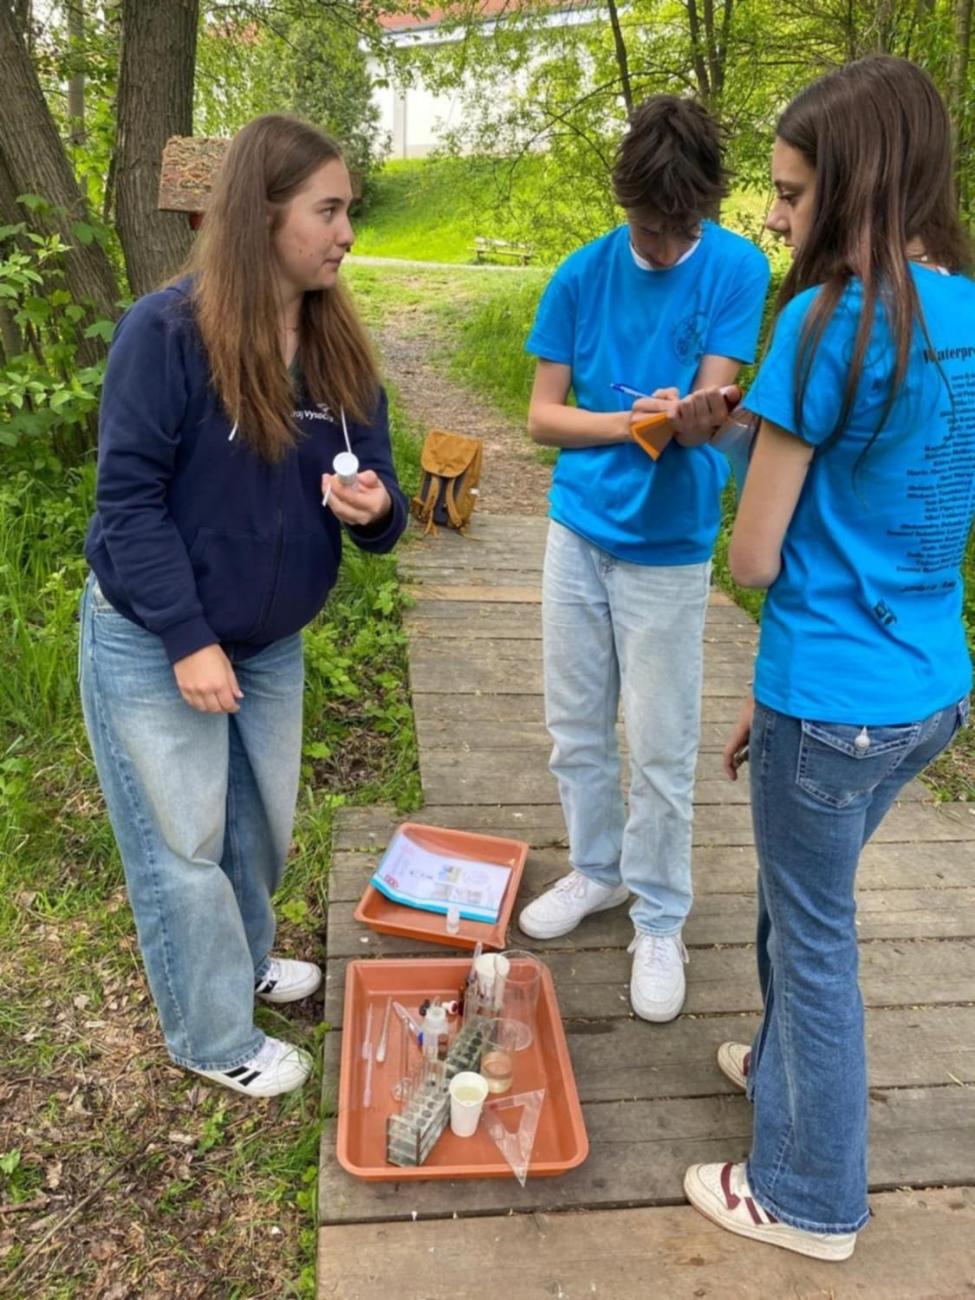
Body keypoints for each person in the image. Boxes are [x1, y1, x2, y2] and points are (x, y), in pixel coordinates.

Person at [682, 56, 974, 1259]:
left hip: (834, 694)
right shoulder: (964, 309)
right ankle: (787, 1067)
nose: (775, 216)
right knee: (805, 903)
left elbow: (754, 557)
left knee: (815, 941)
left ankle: (806, 1194)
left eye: (793, 194)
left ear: (856, 187)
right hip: (928, 691)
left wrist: (753, 443)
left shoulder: (825, 319)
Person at [79, 115, 408, 1098]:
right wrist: (185, 636)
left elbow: (383, 499)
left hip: (266, 643)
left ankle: (249, 956)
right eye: (330, 210)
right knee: (181, 841)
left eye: (347, 210)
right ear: (262, 217)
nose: (348, 231)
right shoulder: (168, 333)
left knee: (258, 825)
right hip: (152, 635)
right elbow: (126, 507)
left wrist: (376, 506)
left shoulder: (336, 344)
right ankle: (212, 1033)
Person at [517, 95, 770, 1022]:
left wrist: (700, 416)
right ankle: (597, 871)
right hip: (577, 533)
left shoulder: (739, 267)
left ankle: (660, 915)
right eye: (648, 225)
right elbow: (542, 417)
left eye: (680, 226)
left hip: (668, 551)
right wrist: (633, 423)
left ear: (704, 207)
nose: (663, 244)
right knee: (575, 725)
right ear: (623, 200)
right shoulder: (580, 276)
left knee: (661, 744)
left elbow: (713, 399)